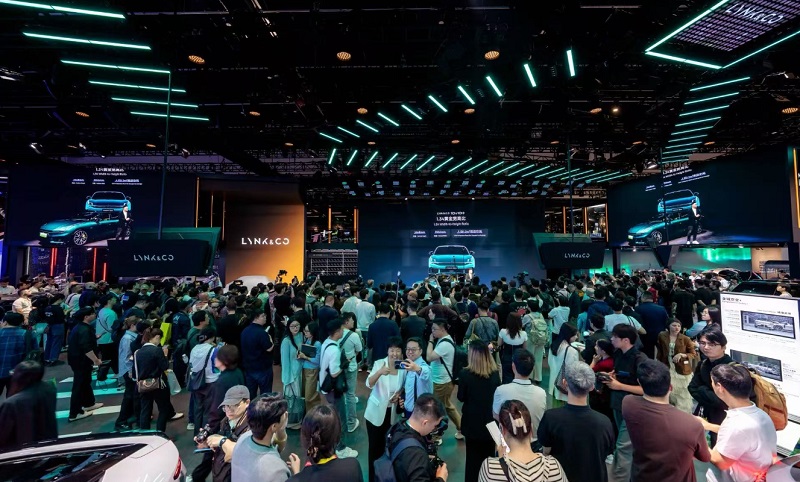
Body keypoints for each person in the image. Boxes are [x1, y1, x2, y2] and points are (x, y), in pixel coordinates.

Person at [622, 359, 710, 482]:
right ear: (671, 387)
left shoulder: (628, 403)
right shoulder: (691, 424)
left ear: (639, 383)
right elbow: (705, 457)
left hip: (641, 476)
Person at [698, 364, 777, 482]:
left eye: (712, 382)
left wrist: (697, 439)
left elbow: (720, 462)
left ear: (720, 387)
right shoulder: (760, 414)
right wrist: (708, 426)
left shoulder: (736, 425)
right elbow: (742, 437)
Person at [538, 362, 614, 482]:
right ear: (592, 386)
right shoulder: (604, 422)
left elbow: (546, 451)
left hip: (560, 476)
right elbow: (606, 452)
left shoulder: (551, 417)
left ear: (565, 383)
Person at [480, 399, 567, 482]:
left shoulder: (490, 469)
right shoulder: (554, 467)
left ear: (502, 430)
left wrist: (501, 461)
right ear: (531, 429)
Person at [603, 323, 648, 482]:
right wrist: (612, 376)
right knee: (625, 446)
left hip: (633, 409)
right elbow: (621, 375)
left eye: (615, 337)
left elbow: (645, 389)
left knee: (623, 447)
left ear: (626, 340)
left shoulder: (640, 360)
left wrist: (620, 385)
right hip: (617, 404)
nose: (612, 339)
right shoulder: (618, 354)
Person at [458, 339, 501, 482]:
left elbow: (461, 397)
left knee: (472, 460)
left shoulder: (465, 374)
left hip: (471, 423)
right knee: (489, 458)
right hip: (490, 423)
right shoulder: (495, 374)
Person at [366, 336, 406, 482]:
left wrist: (399, 394)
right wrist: (379, 372)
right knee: (374, 448)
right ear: (387, 351)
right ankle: (372, 478)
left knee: (387, 446)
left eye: (397, 350)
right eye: (392, 350)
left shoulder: (402, 366)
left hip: (391, 413)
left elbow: (403, 385)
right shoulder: (379, 364)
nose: (394, 353)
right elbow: (369, 384)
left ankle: (384, 476)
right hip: (375, 413)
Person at [287, 405, 364, 481]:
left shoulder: (295, 479)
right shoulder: (352, 467)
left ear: (304, 438)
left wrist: (297, 475)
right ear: (337, 437)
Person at [385, 393, 449, 482]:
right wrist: (441, 478)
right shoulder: (416, 454)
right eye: (435, 425)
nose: (434, 429)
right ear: (425, 423)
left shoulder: (397, 428)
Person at [318, 317, 358, 458]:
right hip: (333, 389)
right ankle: (340, 448)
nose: (343, 331)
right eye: (341, 329)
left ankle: (333, 443)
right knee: (340, 418)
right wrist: (344, 365)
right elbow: (334, 373)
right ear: (337, 332)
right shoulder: (334, 350)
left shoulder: (326, 343)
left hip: (324, 385)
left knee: (333, 416)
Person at [194, 385, 251, 482]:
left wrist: (222, 441)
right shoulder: (225, 421)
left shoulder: (252, 427)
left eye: (234, 405)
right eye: (226, 406)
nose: (229, 410)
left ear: (247, 403)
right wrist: (208, 443)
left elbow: (243, 455)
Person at [688, 326, 733, 447]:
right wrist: (710, 394)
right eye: (702, 343)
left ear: (723, 347)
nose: (706, 347)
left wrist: (702, 389)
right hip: (708, 414)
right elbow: (692, 388)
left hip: (727, 418)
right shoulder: (703, 364)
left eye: (712, 344)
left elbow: (724, 401)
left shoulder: (731, 368)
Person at [231, 393, 291, 482]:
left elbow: (276, 449)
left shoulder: (243, 439)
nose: (286, 415)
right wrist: (298, 474)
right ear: (274, 426)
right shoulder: (277, 471)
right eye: (283, 414)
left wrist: (281, 430)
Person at [492, 349, 546, 445]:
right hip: (533, 444)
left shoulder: (501, 390)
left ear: (513, 366)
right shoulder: (541, 393)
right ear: (532, 369)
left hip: (509, 442)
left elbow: (496, 415)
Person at [0, 360, 57, 449]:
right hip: (47, 445)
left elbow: (3, 434)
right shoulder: (49, 389)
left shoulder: (11, 403)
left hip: (20, 450)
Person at [135, 327, 183, 431]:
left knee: (145, 410)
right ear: (157, 337)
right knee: (163, 409)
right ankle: (160, 432)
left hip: (143, 384)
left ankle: (145, 433)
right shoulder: (157, 350)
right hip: (158, 384)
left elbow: (135, 371)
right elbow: (165, 366)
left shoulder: (138, 352)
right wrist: (165, 355)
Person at [426, 318, 463, 440]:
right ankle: (461, 427)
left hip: (442, 382)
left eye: (434, 329)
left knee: (437, 409)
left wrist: (430, 341)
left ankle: (437, 435)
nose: (432, 331)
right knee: (447, 405)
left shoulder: (444, 344)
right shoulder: (444, 340)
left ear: (442, 329)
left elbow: (429, 357)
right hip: (442, 380)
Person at [67, 307, 103, 422]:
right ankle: (74, 413)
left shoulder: (80, 327)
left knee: (85, 382)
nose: (95, 315)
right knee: (79, 385)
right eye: (92, 313)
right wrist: (96, 360)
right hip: (81, 361)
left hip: (78, 360)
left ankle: (89, 403)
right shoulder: (84, 329)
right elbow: (86, 348)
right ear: (86, 317)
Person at [656, 318, 698, 413]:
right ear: (669, 326)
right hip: (667, 366)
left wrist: (682, 355)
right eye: (674, 325)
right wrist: (658, 363)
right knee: (670, 391)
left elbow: (693, 354)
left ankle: (683, 414)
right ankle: (672, 412)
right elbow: (660, 351)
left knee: (683, 393)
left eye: (679, 326)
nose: (677, 328)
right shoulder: (662, 336)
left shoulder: (685, 339)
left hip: (682, 368)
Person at [190, 327, 221, 434]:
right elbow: (217, 366)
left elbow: (191, 364)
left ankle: (196, 434)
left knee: (198, 409)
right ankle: (205, 434)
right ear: (212, 337)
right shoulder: (213, 350)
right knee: (208, 411)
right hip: (211, 381)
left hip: (196, 382)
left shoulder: (194, 348)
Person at [240, 309, 275, 399]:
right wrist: (271, 340)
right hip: (262, 368)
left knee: (251, 395)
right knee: (266, 396)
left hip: (248, 368)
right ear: (256, 318)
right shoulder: (262, 333)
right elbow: (269, 348)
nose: (265, 318)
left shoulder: (245, 331)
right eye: (262, 316)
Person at [115, 316, 140, 430]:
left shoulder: (130, 337)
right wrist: (130, 371)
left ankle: (130, 415)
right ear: (133, 325)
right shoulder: (128, 339)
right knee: (129, 396)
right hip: (128, 370)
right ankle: (121, 420)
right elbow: (127, 357)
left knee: (132, 394)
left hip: (129, 369)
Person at [340, 312, 363, 433]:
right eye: (352, 320)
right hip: (350, 367)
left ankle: (340, 421)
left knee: (340, 392)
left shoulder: (336, 333)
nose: (353, 322)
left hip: (338, 368)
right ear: (347, 321)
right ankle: (351, 422)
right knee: (350, 394)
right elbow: (359, 349)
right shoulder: (354, 335)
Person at [547, 323, 580, 408]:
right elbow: (573, 370)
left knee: (555, 408)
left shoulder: (553, 346)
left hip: (554, 384)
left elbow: (550, 363)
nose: (576, 337)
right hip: (565, 387)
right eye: (574, 335)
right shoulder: (572, 351)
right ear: (569, 335)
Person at [281, 317, 304, 429]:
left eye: (297, 325)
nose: (295, 328)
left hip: (300, 372)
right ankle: (291, 422)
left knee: (298, 399)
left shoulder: (301, 336)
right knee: (291, 400)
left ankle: (298, 420)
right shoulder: (286, 341)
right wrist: (287, 379)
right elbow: (285, 362)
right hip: (291, 376)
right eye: (292, 326)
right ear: (288, 327)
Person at [401, 337, 433, 418]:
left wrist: (416, 368)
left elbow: (425, 372)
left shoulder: (424, 366)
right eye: (408, 349)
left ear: (420, 351)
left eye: (413, 349)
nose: (410, 352)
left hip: (420, 412)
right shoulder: (407, 365)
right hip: (408, 408)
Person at [634, 291, 668, 359]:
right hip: (659, 333)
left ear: (643, 298)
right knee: (662, 354)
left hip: (646, 336)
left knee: (648, 355)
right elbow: (666, 321)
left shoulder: (638, 309)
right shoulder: (661, 308)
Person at [0, 313, 28, 396]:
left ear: (5, 322)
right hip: (17, 372)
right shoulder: (27, 334)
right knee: (13, 398)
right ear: (21, 323)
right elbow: (33, 354)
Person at [298, 321, 322, 413]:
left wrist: (305, 357)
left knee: (309, 396)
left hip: (312, 370)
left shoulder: (317, 344)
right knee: (305, 394)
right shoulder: (307, 340)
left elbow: (317, 361)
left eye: (307, 331)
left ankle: (313, 413)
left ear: (313, 331)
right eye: (305, 331)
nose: (305, 333)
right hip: (304, 369)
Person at [43, 294, 66, 365]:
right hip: (58, 326)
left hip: (49, 325)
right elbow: (62, 318)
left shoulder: (47, 308)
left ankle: (47, 358)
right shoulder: (58, 308)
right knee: (57, 343)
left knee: (49, 342)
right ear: (59, 299)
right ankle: (53, 359)